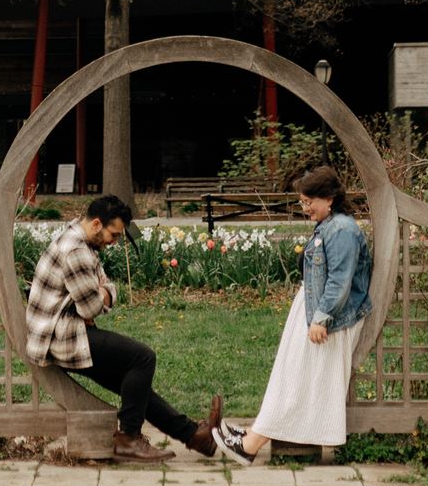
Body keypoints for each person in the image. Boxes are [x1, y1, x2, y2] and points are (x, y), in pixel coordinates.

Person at [24, 193, 222, 463]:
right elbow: (91, 308)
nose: (114, 241)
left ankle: (195, 437)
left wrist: (102, 293)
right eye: (113, 234)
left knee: (134, 387)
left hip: (65, 330)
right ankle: (128, 438)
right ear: (96, 224)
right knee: (142, 358)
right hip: (59, 336)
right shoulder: (76, 250)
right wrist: (99, 297)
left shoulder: (82, 240)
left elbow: (105, 288)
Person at [213, 165, 373, 465]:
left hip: (329, 321)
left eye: (308, 201)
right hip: (316, 315)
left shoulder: (342, 230)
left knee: (297, 378)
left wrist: (321, 318)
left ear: (329, 198)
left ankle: (251, 444)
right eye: (302, 201)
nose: (305, 208)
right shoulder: (331, 225)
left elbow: (340, 280)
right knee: (290, 376)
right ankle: (254, 435)